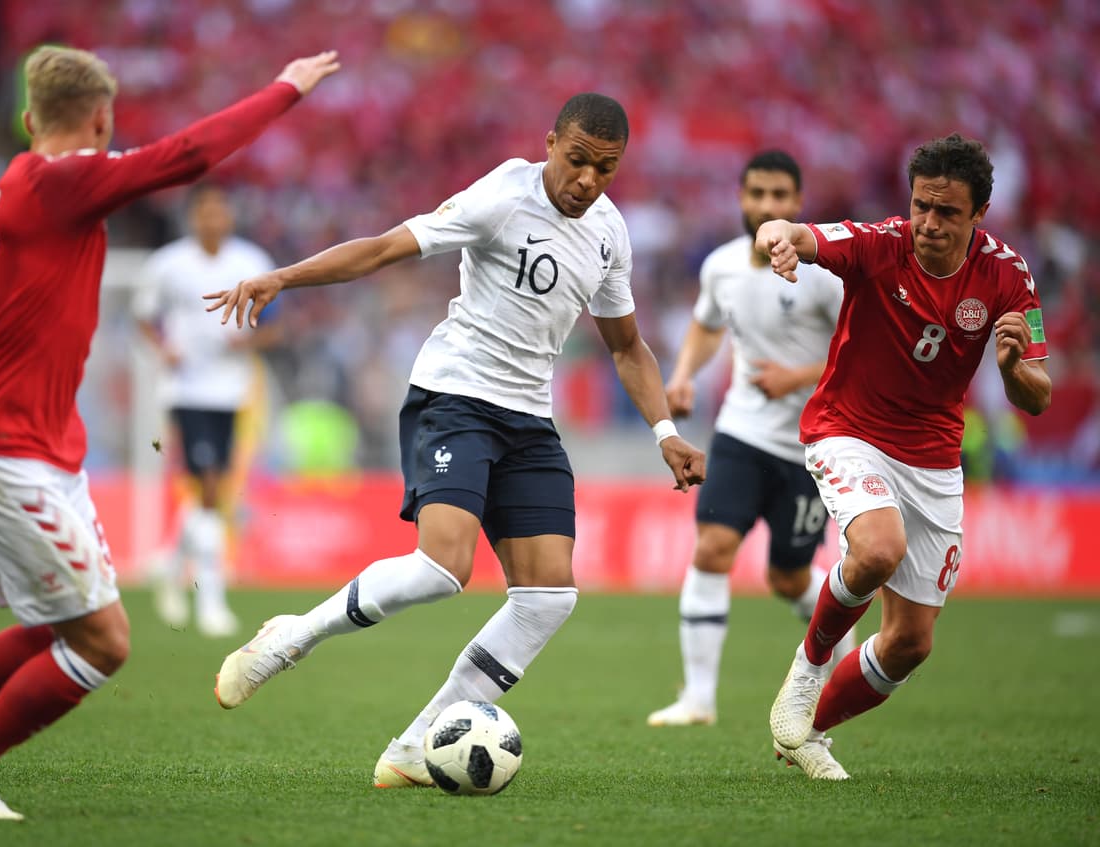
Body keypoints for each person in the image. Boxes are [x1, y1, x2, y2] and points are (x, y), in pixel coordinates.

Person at [0, 45, 339, 820]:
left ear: (25, 120)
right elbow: (188, 155)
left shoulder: (10, 185)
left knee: (63, 624)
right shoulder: (62, 180)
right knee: (104, 641)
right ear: (101, 119)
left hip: (27, 447)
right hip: (4, 453)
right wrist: (286, 88)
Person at [205, 93, 707, 788]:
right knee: (443, 568)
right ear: (552, 142)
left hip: (529, 421)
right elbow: (385, 248)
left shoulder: (610, 235)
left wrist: (666, 432)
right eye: (578, 160)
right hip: (457, 396)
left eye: (607, 169)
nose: (588, 180)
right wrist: (284, 277)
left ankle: (415, 744)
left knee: (549, 597)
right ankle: (292, 636)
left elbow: (627, 346)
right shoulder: (503, 194)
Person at [760, 133, 1051, 780]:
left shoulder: (1011, 276)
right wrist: (777, 240)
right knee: (876, 549)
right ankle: (808, 668)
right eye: (921, 205)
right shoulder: (881, 242)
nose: (928, 223)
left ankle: (806, 735)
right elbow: (796, 232)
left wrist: (1010, 369)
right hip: (848, 429)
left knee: (911, 642)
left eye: (947, 212)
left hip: (934, 457)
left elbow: (1039, 392)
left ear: (979, 217)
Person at [646, 151, 853, 729]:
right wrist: (684, 374)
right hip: (740, 433)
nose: (767, 206)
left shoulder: (825, 275)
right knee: (712, 548)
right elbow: (707, 323)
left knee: (787, 577)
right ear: (741, 198)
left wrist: (797, 376)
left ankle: (845, 659)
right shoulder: (721, 267)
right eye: (757, 194)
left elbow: (859, 349)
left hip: (811, 447)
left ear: (798, 203)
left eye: (780, 196)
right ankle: (698, 699)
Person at [135, 183, 283, 638]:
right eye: (204, 211)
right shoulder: (167, 265)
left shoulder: (253, 263)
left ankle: (169, 561)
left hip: (233, 391)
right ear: (192, 217)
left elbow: (275, 329)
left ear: (230, 217)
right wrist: (165, 350)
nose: (212, 219)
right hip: (185, 390)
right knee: (212, 486)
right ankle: (211, 602)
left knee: (210, 488)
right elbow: (144, 316)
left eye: (220, 210)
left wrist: (248, 341)